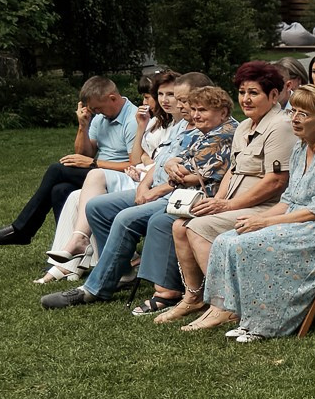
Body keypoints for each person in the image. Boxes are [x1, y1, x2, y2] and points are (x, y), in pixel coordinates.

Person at [41, 80, 234, 312]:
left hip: (181, 196)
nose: (187, 109)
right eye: (188, 105)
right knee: (97, 207)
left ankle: (96, 287)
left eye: (187, 102)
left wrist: (158, 186)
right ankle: (122, 271)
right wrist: (145, 185)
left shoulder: (221, 132)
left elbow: (191, 175)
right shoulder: (185, 125)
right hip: (158, 186)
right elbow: (165, 160)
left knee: (127, 218)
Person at [195, 85, 315, 342]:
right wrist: (259, 220)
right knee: (225, 240)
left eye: (303, 114)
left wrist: (266, 221)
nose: (295, 119)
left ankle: (267, 323)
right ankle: (243, 315)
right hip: (300, 217)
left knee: (250, 244)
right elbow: (289, 200)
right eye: (293, 111)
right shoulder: (300, 148)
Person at [155, 63, 298, 327]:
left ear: (273, 95)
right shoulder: (244, 127)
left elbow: (276, 182)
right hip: (235, 203)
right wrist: (218, 201)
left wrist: (227, 205)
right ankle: (193, 297)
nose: (246, 99)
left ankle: (224, 305)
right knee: (179, 226)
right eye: (242, 92)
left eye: (253, 93)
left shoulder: (280, 126)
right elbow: (233, 170)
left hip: (266, 207)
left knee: (198, 227)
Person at [0, 76, 139, 249]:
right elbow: (83, 153)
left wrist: (93, 163)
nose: (96, 113)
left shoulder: (132, 120)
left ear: (112, 98)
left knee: (57, 169)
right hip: (98, 172)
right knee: (59, 190)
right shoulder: (100, 119)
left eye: (97, 108)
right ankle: (67, 250)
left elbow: (135, 165)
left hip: (122, 178)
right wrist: (82, 126)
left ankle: (22, 230)